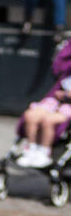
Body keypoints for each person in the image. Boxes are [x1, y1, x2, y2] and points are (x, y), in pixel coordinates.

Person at [13, 39, 71, 169]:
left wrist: (66, 95)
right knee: (30, 115)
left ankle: (44, 152)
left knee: (48, 120)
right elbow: (57, 68)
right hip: (56, 100)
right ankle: (31, 149)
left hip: (68, 105)